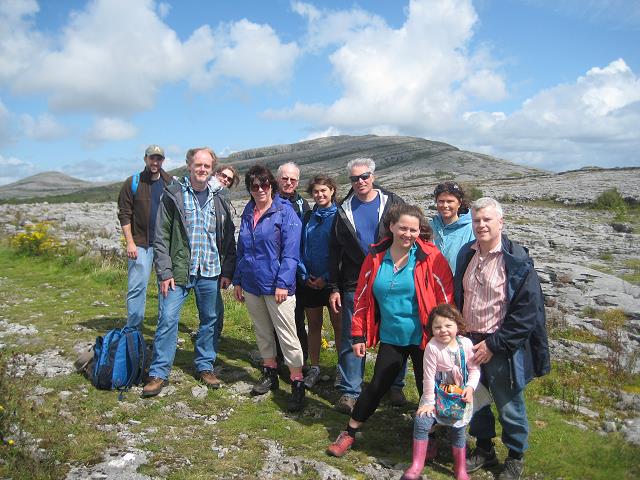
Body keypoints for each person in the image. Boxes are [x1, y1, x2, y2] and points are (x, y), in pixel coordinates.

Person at [326, 204, 454, 457]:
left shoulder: (430, 257)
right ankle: (349, 432)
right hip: (392, 336)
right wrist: (358, 334)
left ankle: (429, 436)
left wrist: (448, 336)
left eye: (414, 230)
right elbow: (362, 298)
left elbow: (445, 298)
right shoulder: (375, 257)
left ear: (420, 231)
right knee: (376, 386)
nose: (408, 234)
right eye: (403, 228)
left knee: (426, 386)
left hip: (425, 338)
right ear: (392, 227)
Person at [454, 198, 550, 480]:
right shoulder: (466, 254)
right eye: (476, 220)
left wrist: (495, 344)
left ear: (500, 223)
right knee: (476, 400)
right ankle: (484, 449)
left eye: (487, 220)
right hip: (470, 342)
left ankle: (515, 457)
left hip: (501, 346)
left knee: (509, 404)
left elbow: (527, 311)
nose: (481, 225)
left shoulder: (516, 259)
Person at [142, 147, 236, 397]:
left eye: (207, 166)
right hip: (179, 272)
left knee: (210, 320)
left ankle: (205, 366)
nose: (202, 169)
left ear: (211, 168)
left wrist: (228, 270)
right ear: (189, 166)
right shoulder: (174, 194)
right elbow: (161, 237)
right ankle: (159, 372)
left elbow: (228, 238)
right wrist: (164, 272)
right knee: (167, 320)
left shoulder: (220, 197)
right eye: (198, 165)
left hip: (210, 271)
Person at [328, 157, 407, 414]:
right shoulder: (343, 209)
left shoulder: (392, 202)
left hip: (391, 277)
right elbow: (335, 251)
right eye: (354, 179)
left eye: (364, 177)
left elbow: (410, 235)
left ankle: (394, 385)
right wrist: (334, 287)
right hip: (354, 282)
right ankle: (350, 391)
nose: (360, 182)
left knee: (394, 333)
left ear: (373, 176)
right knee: (354, 335)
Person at [233, 165, 306, 412]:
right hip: (252, 283)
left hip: (277, 287)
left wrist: (283, 283)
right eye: (255, 186)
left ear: (272, 186)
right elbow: (242, 249)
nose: (261, 189)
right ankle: (270, 373)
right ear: (250, 189)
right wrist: (238, 280)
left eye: (265, 184)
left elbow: (291, 253)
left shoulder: (285, 212)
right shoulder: (247, 211)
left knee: (287, 334)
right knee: (262, 331)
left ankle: (297, 382)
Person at [401, 304, 480, 480]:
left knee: (459, 431)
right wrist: (428, 402)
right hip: (436, 395)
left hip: (459, 395)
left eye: (448, 326)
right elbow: (428, 377)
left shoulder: (466, 344)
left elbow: (474, 369)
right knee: (422, 422)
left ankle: (460, 469)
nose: (443, 330)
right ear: (431, 329)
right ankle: (416, 465)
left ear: (458, 326)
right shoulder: (432, 347)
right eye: (437, 327)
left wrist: (470, 387)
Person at [117, 144, 172, 331]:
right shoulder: (133, 183)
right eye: (152, 158)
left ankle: (163, 330)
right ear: (145, 159)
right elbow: (124, 214)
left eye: (159, 158)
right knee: (137, 288)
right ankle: (133, 331)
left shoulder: (170, 183)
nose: (155, 162)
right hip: (140, 244)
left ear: (163, 161)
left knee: (165, 289)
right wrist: (130, 243)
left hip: (164, 245)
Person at [297, 175, 342, 388]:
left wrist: (326, 278)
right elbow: (299, 247)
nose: (320, 194)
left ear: (332, 190)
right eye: (316, 191)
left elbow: (342, 251)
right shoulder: (307, 216)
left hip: (332, 281)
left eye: (324, 190)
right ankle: (314, 366)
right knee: (313, 325)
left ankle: (342, 369)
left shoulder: (341, 216)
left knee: (338, 325)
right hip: (309, 280)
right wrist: (304, 275)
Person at [275, 162, 311, 366]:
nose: (289, 182)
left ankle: (299, 360)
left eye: (293, 179)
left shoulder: (302, 204)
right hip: (275, 268)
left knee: (297, 317)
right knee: (276, 317)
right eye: (285, 178)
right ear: (278, 178)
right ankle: (277, 360)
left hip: (297, 269)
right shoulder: (270, 200)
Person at [429, 181, 475, 273]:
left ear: (459, 203)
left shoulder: (471, 229)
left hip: (457, 284)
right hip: (431, 283)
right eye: (441, 201)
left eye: (450, 201)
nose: (445, 205)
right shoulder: (430, 226)